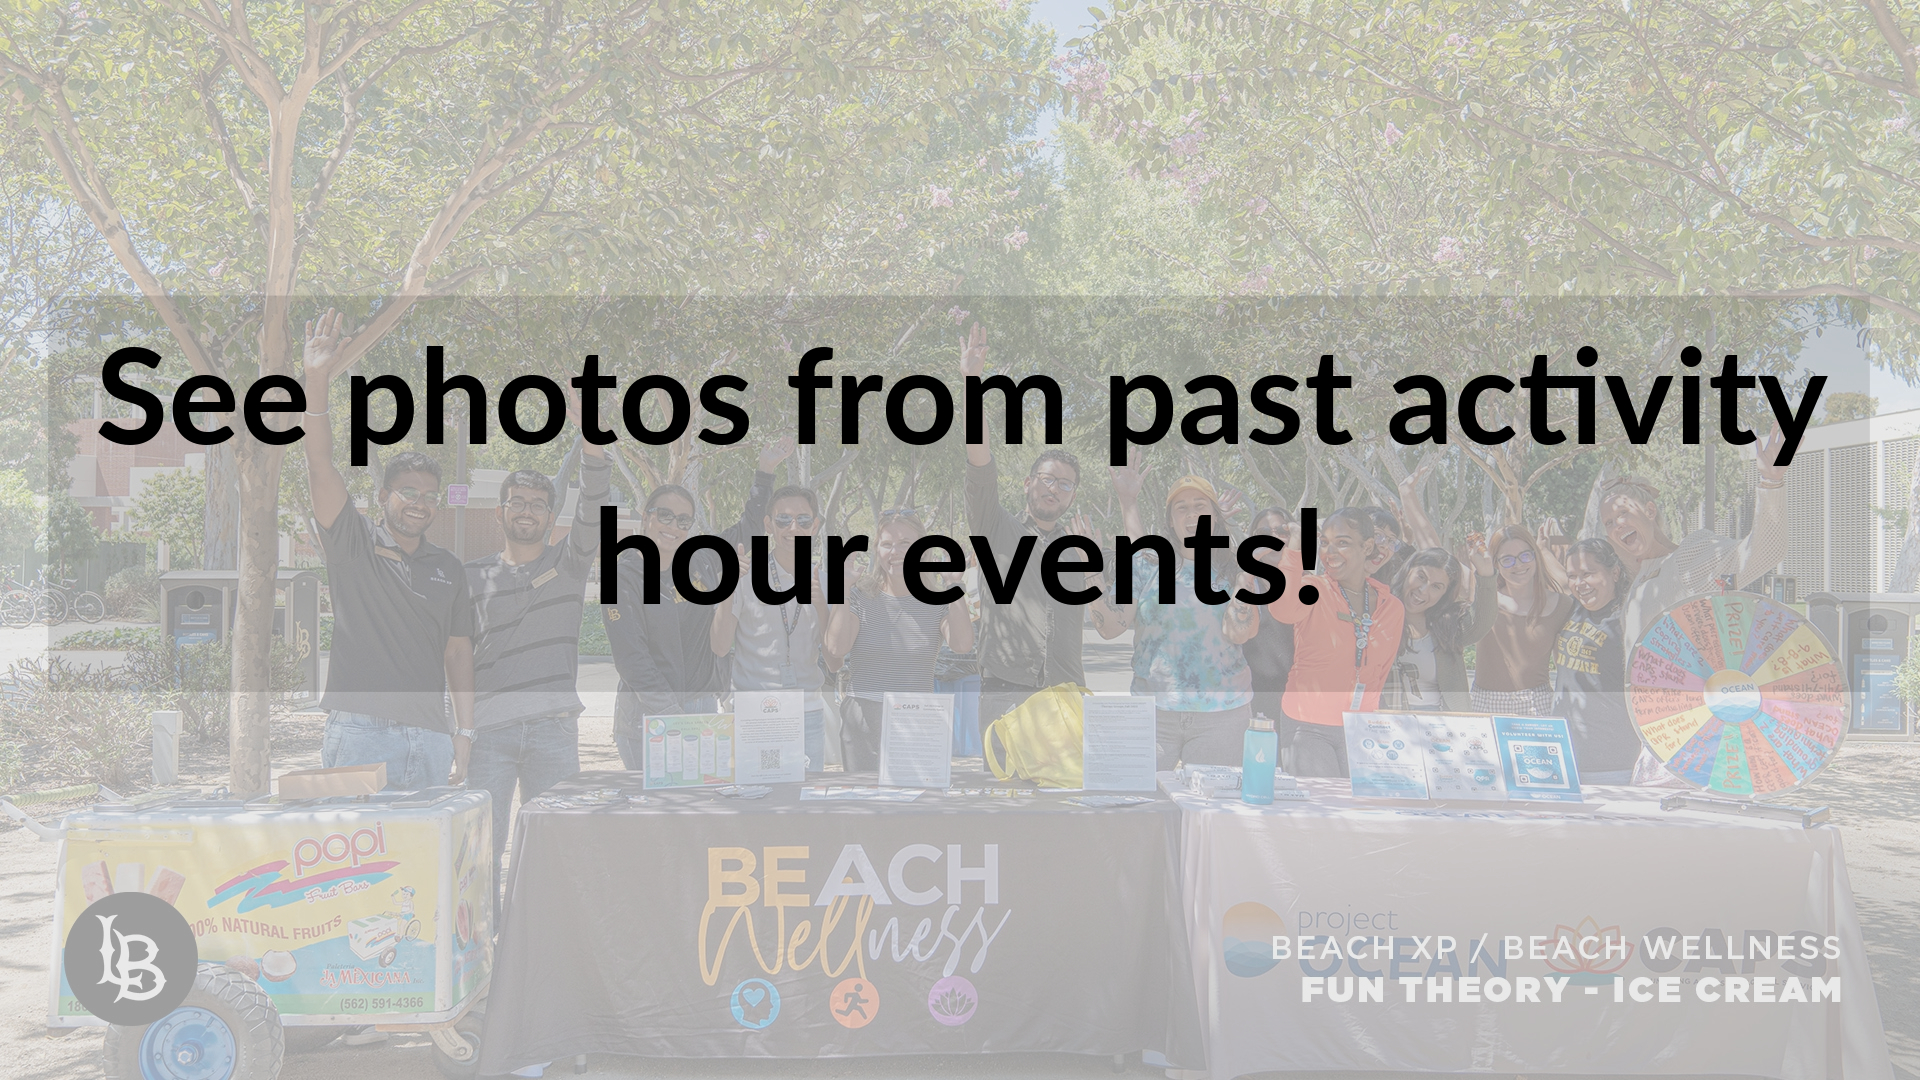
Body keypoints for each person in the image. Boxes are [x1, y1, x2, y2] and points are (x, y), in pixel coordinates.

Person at [300, 309, 474, 792]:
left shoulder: (448, 568)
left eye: (428, 496)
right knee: (354, 859)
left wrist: (464, 731)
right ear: (383, 497)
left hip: (432, 734)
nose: (419, 504)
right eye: (408, 493)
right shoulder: (352, 542)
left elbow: (458, 653)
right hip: (360, 731)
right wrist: (316, 380)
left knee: (426, 861)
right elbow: (319, 463)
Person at [464, 395, 610, 862]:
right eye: (518, 502)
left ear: (551, 518)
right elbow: (455, 658)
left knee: (556, 847)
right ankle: (486, 937)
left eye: (538, 505)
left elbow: (594, 504)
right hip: (488, 733)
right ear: (500, 513)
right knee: (481, 848)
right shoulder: (470, 576)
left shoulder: (569, 564)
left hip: (553, 730)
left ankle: (547, 936)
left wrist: (591, 439)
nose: (527, 511)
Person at [604, 451, 781, 770]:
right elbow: (632, 659)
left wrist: (765, 471)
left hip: (700, 708)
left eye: (683, 520)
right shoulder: (623, 576)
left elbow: (748, 530)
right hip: (647, 719)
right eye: (665, 515)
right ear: (647, 516)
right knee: (654, 818)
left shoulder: (701, 560)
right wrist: (674, 717)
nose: (674, 525)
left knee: (696, 814)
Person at [959, 323, 1090, 738]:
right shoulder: (995, 527)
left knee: (1064, 800)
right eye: (1047, 479)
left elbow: (1109, 619)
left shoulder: (1079, 548)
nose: (1054, 489)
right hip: (1004, 689)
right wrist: (971, 383)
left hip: (1066, 692)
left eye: (1065, 484)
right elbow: (980, 464)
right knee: (1001, 796)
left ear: (1072, 496)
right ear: (1028, 483)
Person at [1089, 466, 1257, 769]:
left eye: (1200, 506)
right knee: (1143, 809)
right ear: (1170, 520)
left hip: (1221, 716)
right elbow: (1112, 627)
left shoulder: (1233, 571)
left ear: (1216, 516)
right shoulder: (1144, 565)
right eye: (1181, 508)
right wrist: (1090, 575)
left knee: (1208, 812)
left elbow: (1239, 633)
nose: (1191, 515)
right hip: (1153, 715)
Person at [1601, 427, 1790, 649]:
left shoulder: (1689, 557)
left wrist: (1771, 482)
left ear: (1650, 511)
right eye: (1609, 522)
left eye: (1623, 513)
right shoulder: (1640, 579)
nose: (1617, 525)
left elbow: (1765, 552)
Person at [823, 512, 974, 770]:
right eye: (887, 544)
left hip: (917, 717)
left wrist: (954, 585)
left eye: (906, 543)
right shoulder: (859, 596)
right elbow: (836, 648)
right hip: (863, 717)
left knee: (917, 807)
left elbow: (962, 645)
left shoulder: (938, 599)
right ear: (877, 550)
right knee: (864, 806)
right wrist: (843, 588)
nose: (896, 551)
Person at [709, 459, 833, 774]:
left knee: (806, 811)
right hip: (754, 713)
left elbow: (835, 660)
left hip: (807, 713)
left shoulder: (827, 580)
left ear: (815, 525)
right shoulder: (745, 575)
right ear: (768, 524)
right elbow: (721, 647)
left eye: (803, 520)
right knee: (755, 811)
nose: (794, 528)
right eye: (784, 519)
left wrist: (821, 605)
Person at [1266, 508, 1406, 777]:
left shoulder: (1392, 608)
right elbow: (1281, 609)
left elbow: (1379, 674)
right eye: (1325, 543)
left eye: (1342, 542)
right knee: (1321, 814)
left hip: (1360, 728)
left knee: (1359, 813)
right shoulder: (1314, 588)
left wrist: (1369, 724)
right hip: (1307, 724)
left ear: (1367, 546)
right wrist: (1295, 549)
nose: (1330, 552)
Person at [1550, 538, 1639, 783]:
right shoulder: (1576, 609)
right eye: (1573, 576)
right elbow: (1558, 575)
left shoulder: (1627, 620)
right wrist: (1540, 548)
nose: (1579, 584)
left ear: (1615, 572)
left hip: (1611, 764)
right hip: (1566, 757)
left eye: (1588, 574)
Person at [1469, 525, 1571, 715]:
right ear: (1495, 563)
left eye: (1525, 555)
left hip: (1538, 704)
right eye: (1507, 560)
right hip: (1485, 704)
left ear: (1535, 556)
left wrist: (1545, 551)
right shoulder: (1484, 599)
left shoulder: (1562, 605)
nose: (1518, 565)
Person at [1384, 546, 1497, 712]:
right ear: (1408, 570)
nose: (1423, 590)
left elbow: (1481, 622)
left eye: (1436, 587)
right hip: (1388, 723)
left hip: (1442, 726)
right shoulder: (1379, 611)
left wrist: (1486, 573)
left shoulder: (1447, 626)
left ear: (1445, 594)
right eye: (1421, 577)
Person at [1239, 508, 1298, 755]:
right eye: (1263, 532)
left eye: (1281, 531)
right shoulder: (1239, 583)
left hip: (1297, 704)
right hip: (1251, 703)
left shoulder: (1311, 584)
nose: (1272, 538)